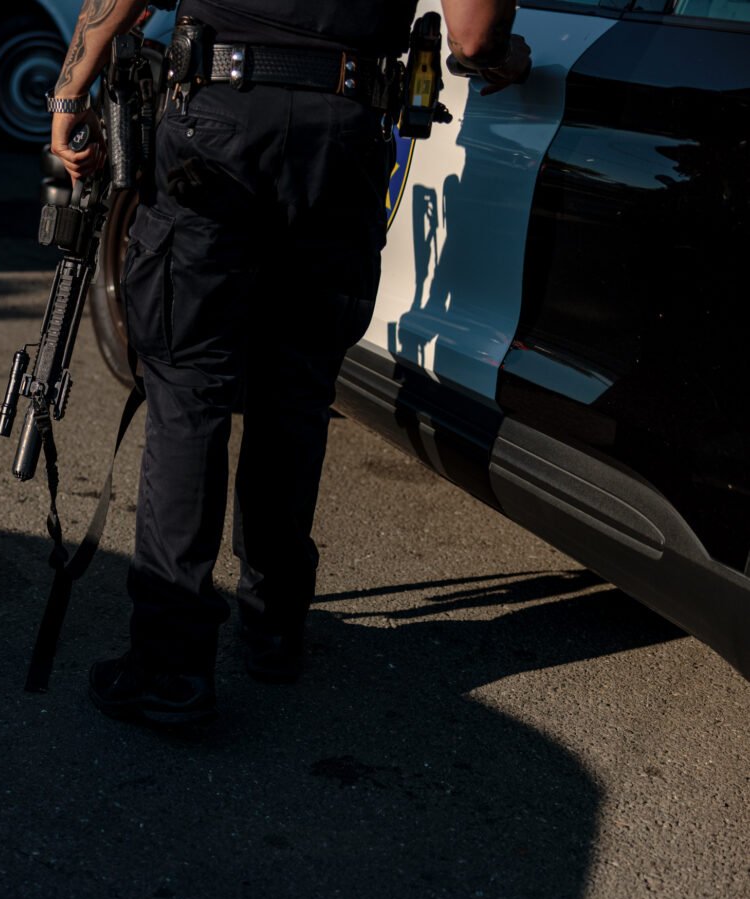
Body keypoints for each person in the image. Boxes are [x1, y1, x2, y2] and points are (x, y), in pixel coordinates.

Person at [46, 0, 532, 726]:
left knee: (189, 388)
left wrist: (70, 88)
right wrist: (508, 62)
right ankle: (274, 628)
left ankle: (169, 666)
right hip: (343, 136)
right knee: (296, 387)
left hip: (216, 119)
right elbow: (472, 34)